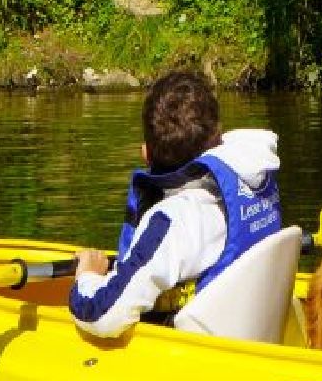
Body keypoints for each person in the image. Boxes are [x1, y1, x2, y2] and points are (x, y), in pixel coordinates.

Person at [69, 63, 284, 340]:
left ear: (146, 154)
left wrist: (87, 276)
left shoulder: (173, 220)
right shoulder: (256, 178)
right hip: (255, 336)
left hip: (204, 355)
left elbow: (102, 315)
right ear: (219, 136)